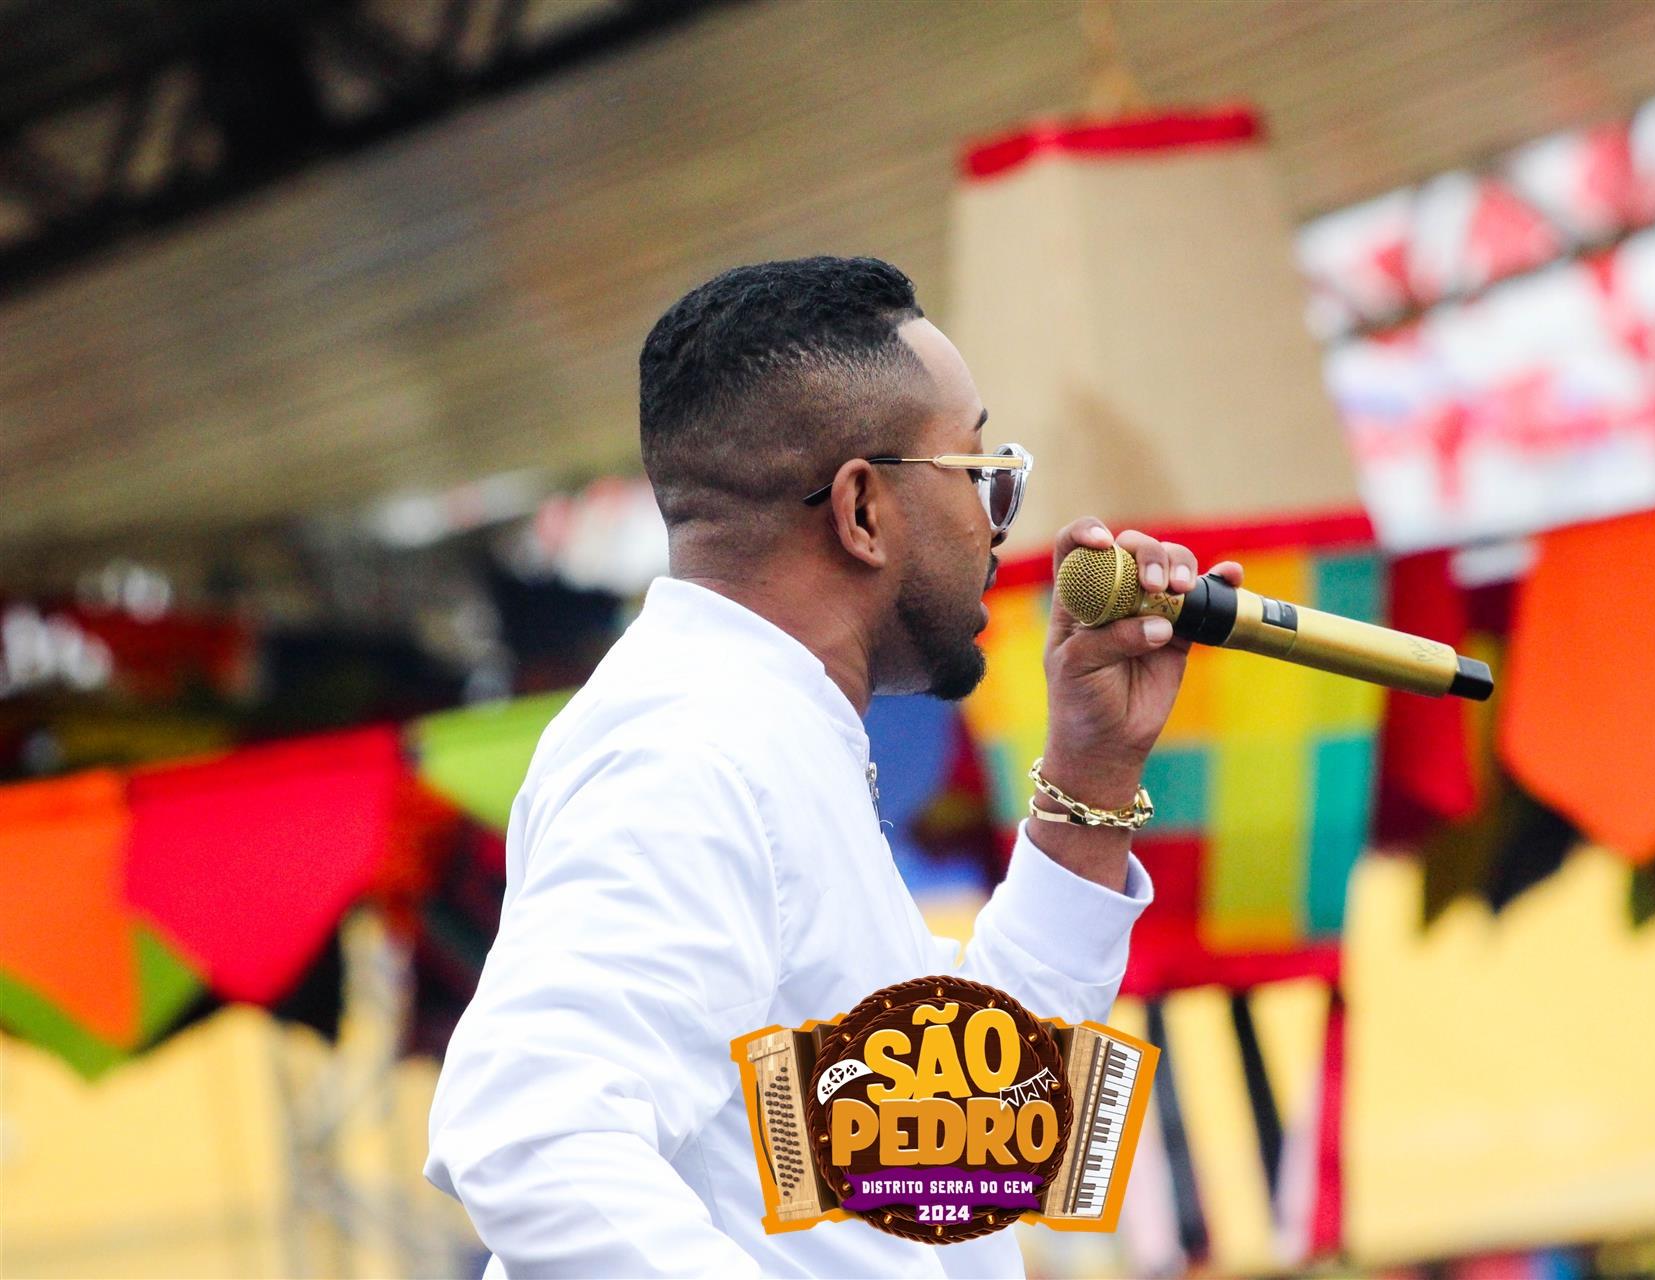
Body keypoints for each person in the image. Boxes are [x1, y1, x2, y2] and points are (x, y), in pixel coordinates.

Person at [425, 256, 1243, 1277]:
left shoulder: (762, 734)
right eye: (978, 472)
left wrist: (1092, 772)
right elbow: (532, 1135)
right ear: (860, 510)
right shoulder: (688, 751)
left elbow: (959, 1139)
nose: (999, 522)